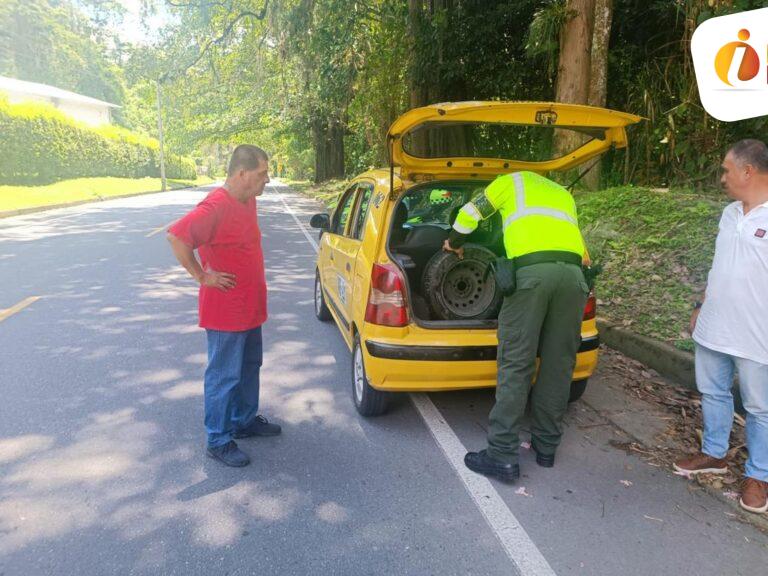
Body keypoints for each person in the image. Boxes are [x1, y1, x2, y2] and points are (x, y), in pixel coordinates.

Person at [444, 171, 589, 482]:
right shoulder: (562, 192)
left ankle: (501, 454)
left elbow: (469, 214)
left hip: (532, 277)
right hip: (574, 278)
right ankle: (546, 448)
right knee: (558, 365)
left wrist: (454, 242)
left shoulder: (509, 182)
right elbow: (579, 246)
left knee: (516, 363)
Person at [167, 144, 280, 468]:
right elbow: (177, 237)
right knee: (224, 376)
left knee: (249, 367)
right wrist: (202, 275)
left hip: (250, 307)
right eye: (261, 174)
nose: (267, 180)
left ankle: (243, 422)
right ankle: (218, 439)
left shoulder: (248, 198)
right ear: (242, 174)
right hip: (227, 312)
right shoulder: (215, 205)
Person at [674, 139, 768, 514]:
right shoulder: (730, 213)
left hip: (757, 333)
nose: (722, 177)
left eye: (727, 170)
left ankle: (759, 475)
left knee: (760, 408)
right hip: (714, 325)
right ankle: (714, 454)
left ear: (749, 171)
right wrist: (700, 304)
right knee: (712, 392)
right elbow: (718, 265)